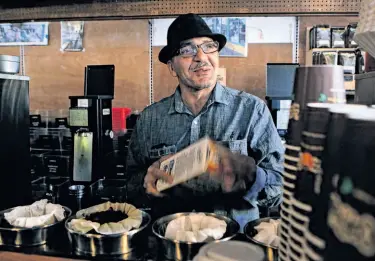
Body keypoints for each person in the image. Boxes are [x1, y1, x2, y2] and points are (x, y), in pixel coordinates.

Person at [126, 13, 284, 230]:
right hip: (172, 242)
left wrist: (253, 178)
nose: (201, 56)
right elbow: (131, 185)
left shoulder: (251, 111)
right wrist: (145, 182)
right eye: (187, 49)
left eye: (208, 46)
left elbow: (282, 184)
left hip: (234, 243)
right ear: (172, 66)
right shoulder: (150, 120)